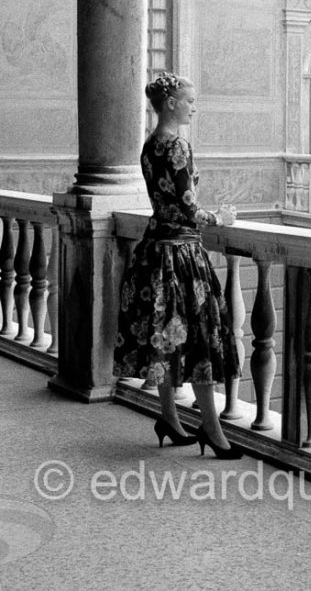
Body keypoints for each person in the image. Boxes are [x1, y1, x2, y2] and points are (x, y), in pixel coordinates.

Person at [113, 72, 243, 459]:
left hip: (154, 251)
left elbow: (166, 202)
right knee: (198, 339)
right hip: (181, 255)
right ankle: (213, 430)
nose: (193, 106)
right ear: (170, 103)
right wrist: (221, 218)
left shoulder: (149, 145)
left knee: (166, 337)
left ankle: (169, 416)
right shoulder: (178, 147)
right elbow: (188, 207)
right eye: (189, 100)